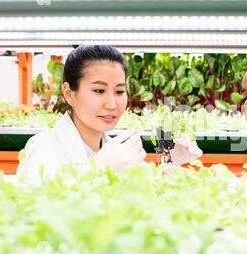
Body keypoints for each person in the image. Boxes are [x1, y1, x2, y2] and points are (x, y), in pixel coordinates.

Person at [17, 45, 202, 181]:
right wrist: (96, 171)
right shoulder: (42, 149)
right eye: (99, 91)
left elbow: (145, 206)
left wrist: (170, 161)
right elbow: (41, 215)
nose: (113, 104)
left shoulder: (115, 149)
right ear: (69, 93)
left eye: (120, 91)